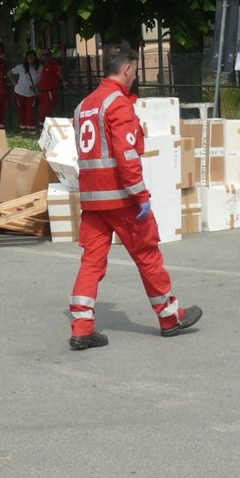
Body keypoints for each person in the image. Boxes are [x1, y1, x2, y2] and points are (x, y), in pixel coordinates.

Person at [67, 41, 201, 350]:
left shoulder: (84, 105)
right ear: (128, 68)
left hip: (92, 199)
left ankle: (82, 324)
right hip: (122, 199)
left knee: (92, 261)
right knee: (147, 254)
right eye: (136, 69)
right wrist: (140, 196)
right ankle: (169, 317)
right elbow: (126, 155)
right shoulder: (118, 104)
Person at [12, 49, 42, 133]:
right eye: (28, 57)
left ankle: (31, 129)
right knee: (21, 111)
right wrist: (15, 83)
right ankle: (23, 129)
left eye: (32, 56)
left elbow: (43, 79)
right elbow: (10, 73)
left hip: (31, 94)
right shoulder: (21, 67)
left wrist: (36, 85)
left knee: (31, 112)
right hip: (19, 92)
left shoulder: (39, 68)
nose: (30, 58)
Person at [37, 50, 63, 124]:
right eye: (43, 55)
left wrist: (64, 81)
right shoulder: (44, 66)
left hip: (50, 91)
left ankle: (43, 127)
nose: (45, 56)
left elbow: (59, 73)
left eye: (47, 54)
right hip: (43, 92)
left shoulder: (53, 64)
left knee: (45, 111)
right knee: (44, 110)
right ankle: (47, 127)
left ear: (50, 55)